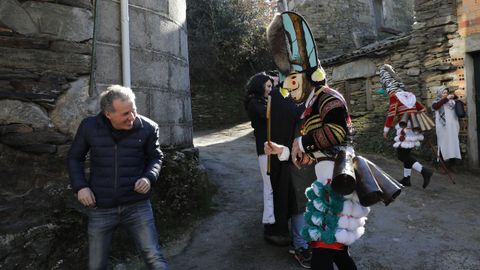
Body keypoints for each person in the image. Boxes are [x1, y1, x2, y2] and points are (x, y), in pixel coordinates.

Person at [266, 12, 369, 270]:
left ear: (307, 75)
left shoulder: (328, 97)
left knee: (325, 254)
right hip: (323, 187)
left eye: (292, 81)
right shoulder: (309, 106)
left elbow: (339, 133)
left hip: (337, 189)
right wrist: (283, 151)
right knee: (337, 255)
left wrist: (303, 142)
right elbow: (311, 155)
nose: (289, 89)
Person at [67, 85, 169, 270]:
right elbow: (74, 158)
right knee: (96, 265)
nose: (132, 117)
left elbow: (156, 157)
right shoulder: (89, 127)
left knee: (154, 256)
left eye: (134, 110)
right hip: (101, 208)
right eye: (125, 114)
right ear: (108, 114)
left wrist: (149, 177)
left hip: (137, 205)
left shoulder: (148, 127)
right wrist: (80, 186)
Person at [379, 64, 433, 188]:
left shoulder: (394, 96)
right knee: (406, 154)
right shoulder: (410, 95)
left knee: (402, 155)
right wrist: (413, 113)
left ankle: (424, 171)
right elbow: (422, 109)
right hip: (414, 127)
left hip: (404, 129)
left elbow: (391, 114)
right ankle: (406, 179)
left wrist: (386, 130)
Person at [244, 73, 281, 242]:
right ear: (259, 86)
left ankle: (273, 221)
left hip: (271, 148)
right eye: (267, 86)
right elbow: (269, 115)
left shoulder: (262, 101)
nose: (270, 90)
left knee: (272, 186)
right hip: (264, 150)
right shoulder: (254, 103)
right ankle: (269, 223)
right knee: (269, 187)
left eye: (271, 87)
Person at [431, 85, 461, 172]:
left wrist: (452, 96)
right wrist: (446, 98)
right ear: (440, 94)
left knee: (453, 144)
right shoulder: (436, 102)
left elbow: (456, 97)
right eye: (443, 93)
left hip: (452, 126)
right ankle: (442, 165)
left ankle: (452, 164)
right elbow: (435, 107)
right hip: (442, 127)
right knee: (442, 144)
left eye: (446, 93)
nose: (445, 94)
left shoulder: (451, 102)